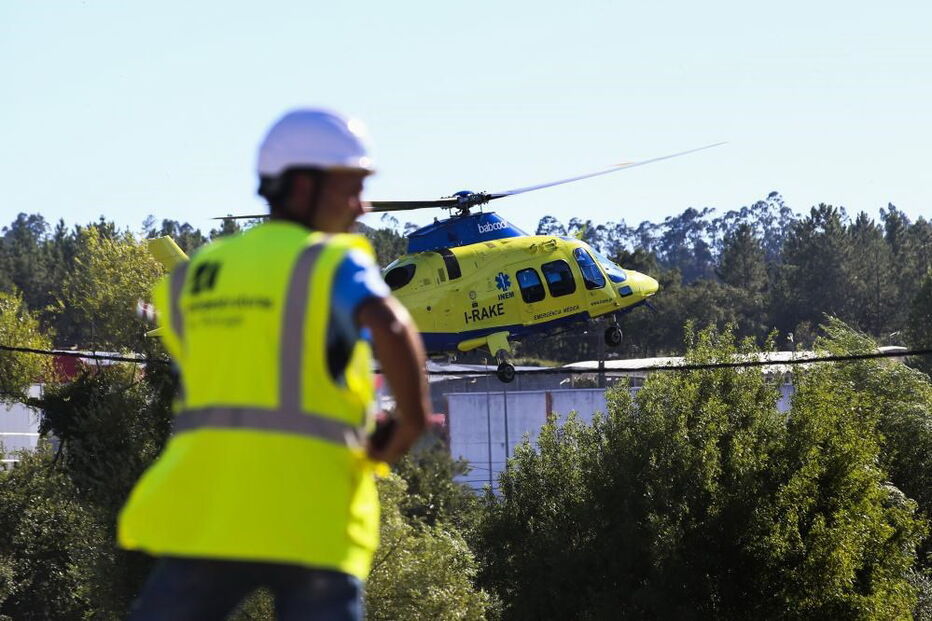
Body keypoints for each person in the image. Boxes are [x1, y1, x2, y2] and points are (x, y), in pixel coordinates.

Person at [118, 108, 431, 620]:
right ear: (301, 186)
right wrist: (411, 422)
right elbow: (392, 326)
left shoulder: (199, 271)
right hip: (313, 514)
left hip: (211, 514)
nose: (363, 205)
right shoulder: (330, 260)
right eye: (350, 188)